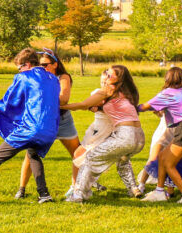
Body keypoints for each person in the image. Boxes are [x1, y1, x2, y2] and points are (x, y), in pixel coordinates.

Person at [0, 48, 60, 208]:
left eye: (19, 67)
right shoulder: (53, 79)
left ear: (27, 64)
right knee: (33, 154)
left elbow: (9, 102)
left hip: (31, 129)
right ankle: (44, 194)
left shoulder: (24, 77)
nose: (19, 70)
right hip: (49, 130)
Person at [60, 65, 145, 202]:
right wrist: (98, 107)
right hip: (139, 137)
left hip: (125, 136)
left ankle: (78, 195)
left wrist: (61, 106)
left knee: (90, 159)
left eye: (110, 75)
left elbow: (82, 105)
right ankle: (132, 189)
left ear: (120, 78)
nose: (107, 77)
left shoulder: (107, 91)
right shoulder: (127, 92)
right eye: (107, 74)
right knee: (122, 160)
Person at [16, 49, 83, 199]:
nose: (43, 68)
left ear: (55, 64)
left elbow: (64, 99)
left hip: (63, 120)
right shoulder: (39, 77)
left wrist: (43, 99)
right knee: (31, 154)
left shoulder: (62, 77)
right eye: (41, 65)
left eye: (46, 64)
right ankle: (21, 190)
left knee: (78, 153)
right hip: (44, 121)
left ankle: (76, 187)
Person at [138, 67, 182, 205]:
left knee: (169, 164)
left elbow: (145, 106)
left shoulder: (169, 93)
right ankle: (159, 191)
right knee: (162, 156)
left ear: (168, 79)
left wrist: (131, 108)